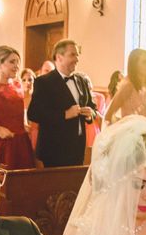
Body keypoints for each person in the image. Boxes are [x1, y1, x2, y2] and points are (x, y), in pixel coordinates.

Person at [27, 39, 97, 167]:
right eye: (72, 55)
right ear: (59, 57)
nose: (77, 59)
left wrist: (90, 113)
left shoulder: (81, 80)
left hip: (78, 146)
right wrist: (64, 114)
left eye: (77, 55)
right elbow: (34, 113)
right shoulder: (43, 82)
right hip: (54, 149)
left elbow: (93, 107)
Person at [104, 49, 146, 126]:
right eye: (144, 62)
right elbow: (108, 116)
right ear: (135, 65)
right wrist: (122, 125)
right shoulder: (127, 87)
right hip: (131, 134)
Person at [20, 67, 39, 150]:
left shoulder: (38, 99)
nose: (27, 82)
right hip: (21, 136)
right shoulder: (17, 99)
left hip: (36, 135)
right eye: (24, 80)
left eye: (30, 80)